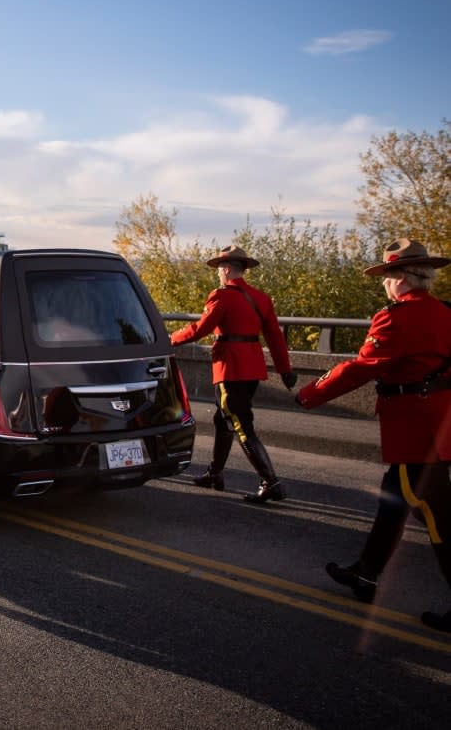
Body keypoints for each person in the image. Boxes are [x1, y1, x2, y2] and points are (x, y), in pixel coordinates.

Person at [296, 239, 451, 633]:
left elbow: (362, 368)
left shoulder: (396, 318)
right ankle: (365, 574)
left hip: (416, 429)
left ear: (399, 278)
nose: (384, 284)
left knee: (436, 516)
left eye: (386, 277)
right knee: (393, 501)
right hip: (441, 421)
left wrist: (312, 393)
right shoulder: (446, 312)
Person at [171, 245, 296, 503]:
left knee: (240, 423)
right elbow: (275, 338)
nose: (218, 274)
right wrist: (285, 370)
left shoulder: (222, 295)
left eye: (219, 269)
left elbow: (199, 329)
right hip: (252, 368)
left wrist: (168, 339)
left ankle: (270, 481)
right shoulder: (261, 298)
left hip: (230, 367)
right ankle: (215, 474)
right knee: (223, 418)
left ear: (226, 269)